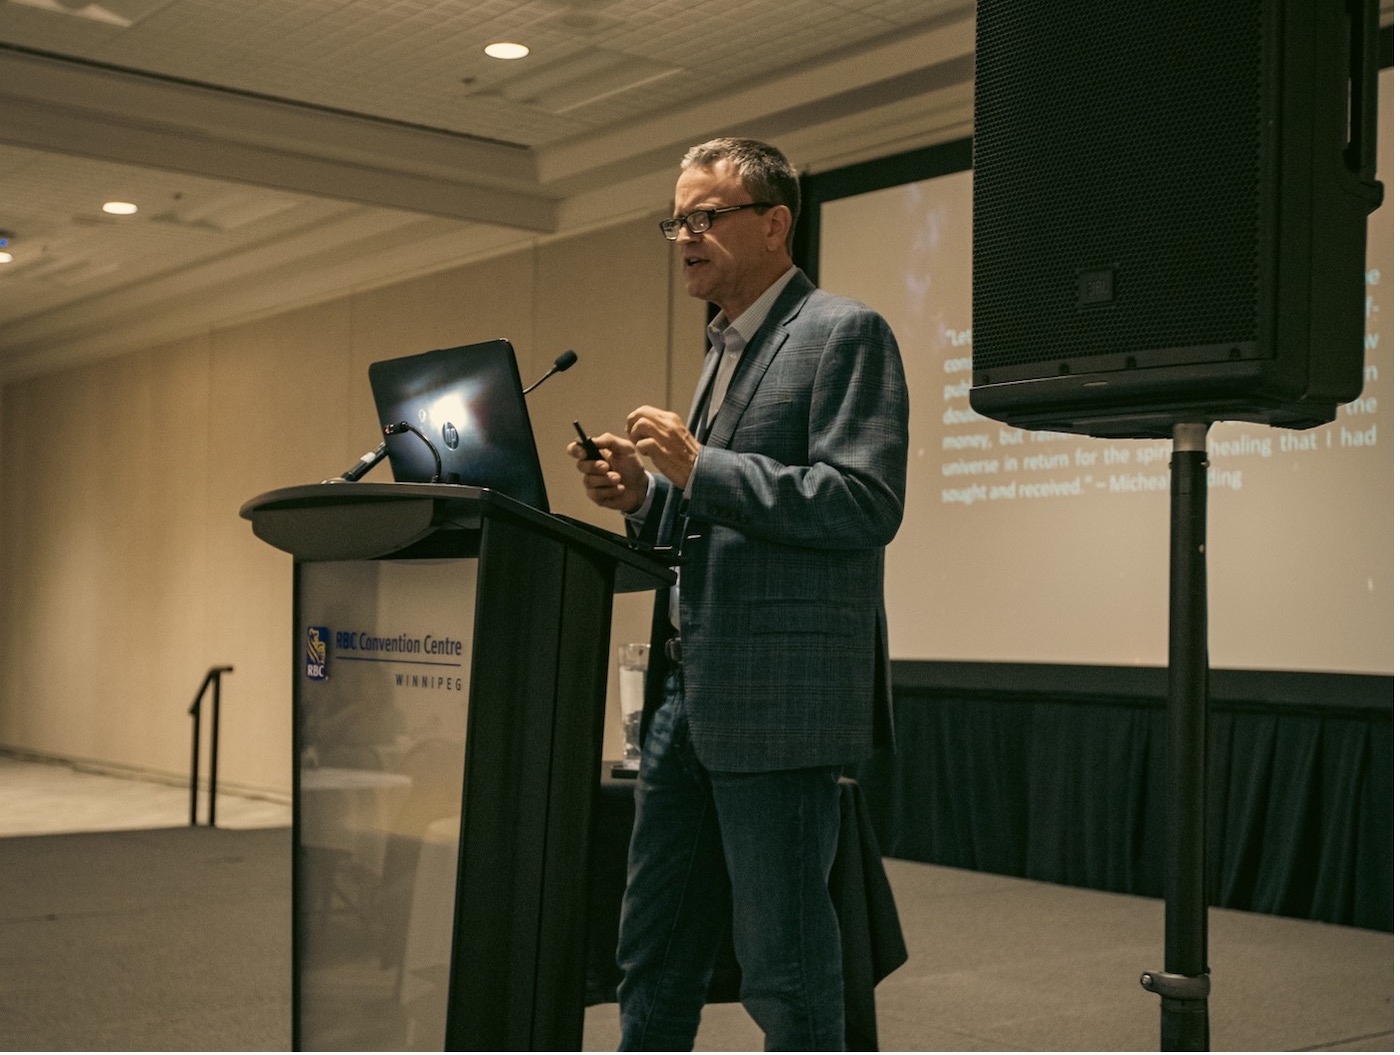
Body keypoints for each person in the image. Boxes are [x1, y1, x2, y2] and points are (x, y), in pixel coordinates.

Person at [568, 137, 909, 1051]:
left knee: (785, 968)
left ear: (774, 222)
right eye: (676, 220)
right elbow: (710, 516)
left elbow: (865, 502)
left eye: (704, 216)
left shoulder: (844, 331)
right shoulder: (723, 347)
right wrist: (643, 495)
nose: (685, 235)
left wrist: (700, 466)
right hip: (686, 694)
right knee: (653, 949)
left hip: (780, 702)